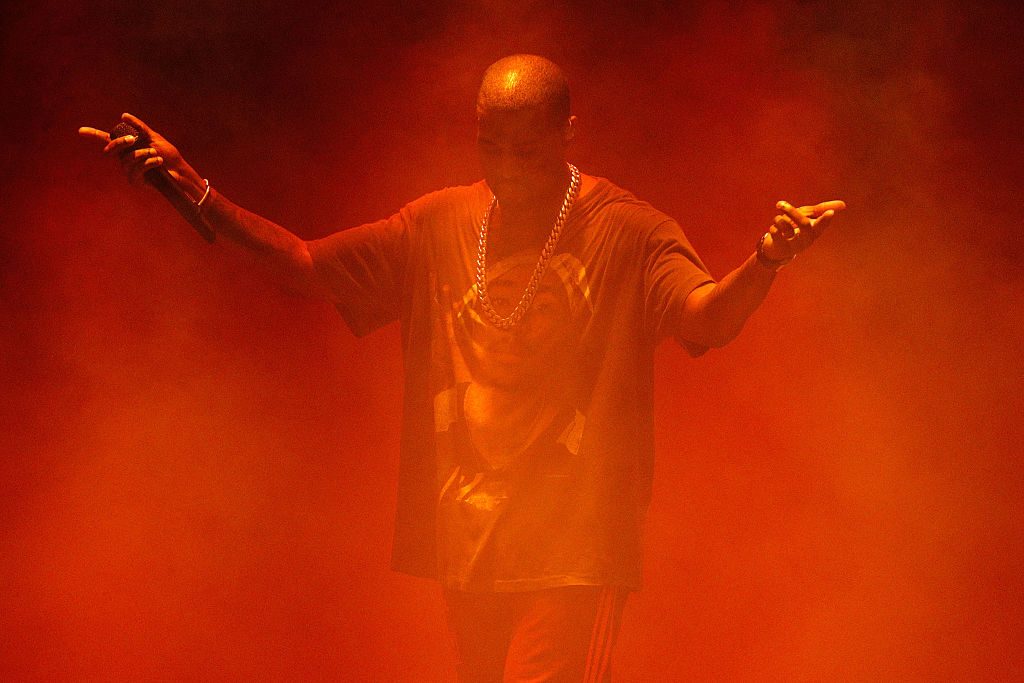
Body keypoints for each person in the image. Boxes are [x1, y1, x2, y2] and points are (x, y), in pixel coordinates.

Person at [80, 54, 845, 682]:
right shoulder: (440, 222)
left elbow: (705, 318)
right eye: (491, 146)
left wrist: (764, 261)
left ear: (568, 132)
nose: (507, 167)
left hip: (574, 555)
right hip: (471, 548)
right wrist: (194, 188)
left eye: (527, 150)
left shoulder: (627, 231)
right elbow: (307, 266)